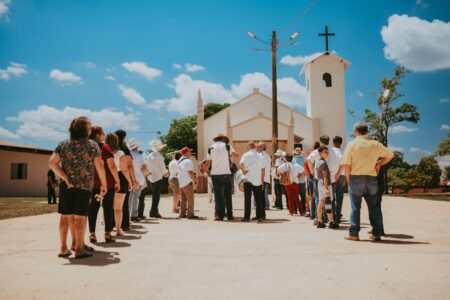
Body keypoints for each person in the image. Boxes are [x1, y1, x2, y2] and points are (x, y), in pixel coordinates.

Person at [48, 116, 107, 259]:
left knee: (65, 216)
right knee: (80, 218)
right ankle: (79, 249)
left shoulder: (63, 144)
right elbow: (99, 166)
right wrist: (104, 184)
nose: (90, 130)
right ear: (84, 130)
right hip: (84, 186)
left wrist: (64, 177)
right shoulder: (92, 145)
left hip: (66, 187)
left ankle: (63, 248)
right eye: (89, 127)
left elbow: (52, 163)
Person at [341, 122, 394, 241]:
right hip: (371, 179)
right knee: (374, 207)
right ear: (367, 132)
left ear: (355, 132)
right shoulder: (374, 144)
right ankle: (376, 233)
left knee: (355, 207)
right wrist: (379, 163)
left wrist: (349, 181)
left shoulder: (351, 145)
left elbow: (347, 165)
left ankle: (354, 233)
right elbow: (390, 154)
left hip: (356, 178)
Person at [88, 126, 119, 243]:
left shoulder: (87, 147)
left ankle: (92, 234)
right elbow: (111, 166)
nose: (104, 135)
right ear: (97, 135)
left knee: (92, 209)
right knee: (108, 208)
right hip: (108, 183)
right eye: (102, 133)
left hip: (92, 183)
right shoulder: (105, 147)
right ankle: (107, 234)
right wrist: (118, 180)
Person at [202, 134, 237, 221]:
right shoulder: (227, 146)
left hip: (215, 175)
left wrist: (206, 172)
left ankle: (219, 215)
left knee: (217, 196)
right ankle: (229, 215)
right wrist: (230, 155)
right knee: (227, 195)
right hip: (226, 173)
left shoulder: (211, 148)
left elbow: (207, 164)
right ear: (223, 139)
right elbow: (236, 155)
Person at [307, 136, 340, 225]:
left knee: (320, 200)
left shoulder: (318, 155)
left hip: (319, 180)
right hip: (328, 181)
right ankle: (331, 220)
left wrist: (312, 170)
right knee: (329, 201)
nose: (327, 153)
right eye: (326, 152)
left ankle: (320, 219)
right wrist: (337, 174)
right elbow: (326, 175)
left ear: (320, 141)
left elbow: (308, 160)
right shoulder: (333, 151)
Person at [107, 133, 133, 237]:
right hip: (120, 178)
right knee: (118, 208)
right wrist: (130, 182)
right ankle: (118, 229)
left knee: (108, 207)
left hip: (108, 178)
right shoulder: (120, 153)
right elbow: (125, 169)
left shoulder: (103, 152)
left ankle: (108, 230)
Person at [115, 129, 139, 230]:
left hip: (112, 176)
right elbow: (129, 165)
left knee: (113, 202)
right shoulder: (124, 148)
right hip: (123, 176)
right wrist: (133, 180)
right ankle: (124, 224)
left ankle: (112, 223)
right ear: (124, 137)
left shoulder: (112, 147)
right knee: (124, 202)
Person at [240, 141, 265, 222]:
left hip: (248, 179)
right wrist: (262, 180)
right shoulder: (260, 156)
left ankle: (246, 217)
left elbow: (241, 164)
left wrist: (243, 172)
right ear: (255, 147)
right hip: (257, 180)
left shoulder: (245, 154)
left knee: (247, 199)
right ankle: (260, 216)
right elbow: (263, 169)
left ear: (248, 147)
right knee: (259, 199)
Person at [315, 146, 339, 229]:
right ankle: (331, 222)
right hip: (326, 184)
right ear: (320, 153)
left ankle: (319, 221)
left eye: (327, 152)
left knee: (321, 202)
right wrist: (326, 188)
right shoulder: (324, 163)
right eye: (325, 152)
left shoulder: (318, 162)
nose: (327, 153)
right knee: (328, 203)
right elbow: (325, 177)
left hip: (319, 184)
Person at [128, 138, 147, 222]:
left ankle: (126, 215)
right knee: (135, 197)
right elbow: (143, 167)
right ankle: (134, 215)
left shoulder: (127, 154)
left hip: (129, 178)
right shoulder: (139, 155)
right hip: (138, 178)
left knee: (129, 197)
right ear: (136, 146)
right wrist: (146, 173)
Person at [177, 147, 199, 219]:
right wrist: (195, 180)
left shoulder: (179, 161)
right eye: (189, 151)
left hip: (181, 182)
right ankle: (190, 214)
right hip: (187, 182)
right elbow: (190, 172)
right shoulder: (188, 161)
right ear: (186, 152)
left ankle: (182, 214)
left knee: (183, 199)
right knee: (190, 199)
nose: (190, 153)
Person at [331, 136, 346, 224]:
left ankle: (332, 216)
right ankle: (338, 215)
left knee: (331, 197)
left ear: (333, 142)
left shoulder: (330, 151)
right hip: (342, 176)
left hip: (332, 175)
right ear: (341, 143)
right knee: (340, 197)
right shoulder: (345, 151)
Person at [306, 142, 320, 220]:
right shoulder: (321, 154)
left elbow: (307, 168)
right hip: (318, 176)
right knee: (318, 196)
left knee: (313, 196)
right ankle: (317, 214)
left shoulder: (311, 156)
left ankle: (312, 214)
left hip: (311, 176)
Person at [257, 141, 271, 210]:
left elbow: (262, 168)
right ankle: (266, 205)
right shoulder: (268, 156)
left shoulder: (261, 155)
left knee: (260, 193)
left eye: (259, 147)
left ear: (262, 147)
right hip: (266, 177)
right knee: (265, 193)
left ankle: (264, 205)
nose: (257, 148)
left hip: (261, 177)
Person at [293, 148, 307, 214]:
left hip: (295, 180)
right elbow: (305, 169)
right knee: (303, 195)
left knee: (295, 195)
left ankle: (295, 209)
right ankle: (303, 209)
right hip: (303, 180)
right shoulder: (304, 159)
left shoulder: (293, 159)